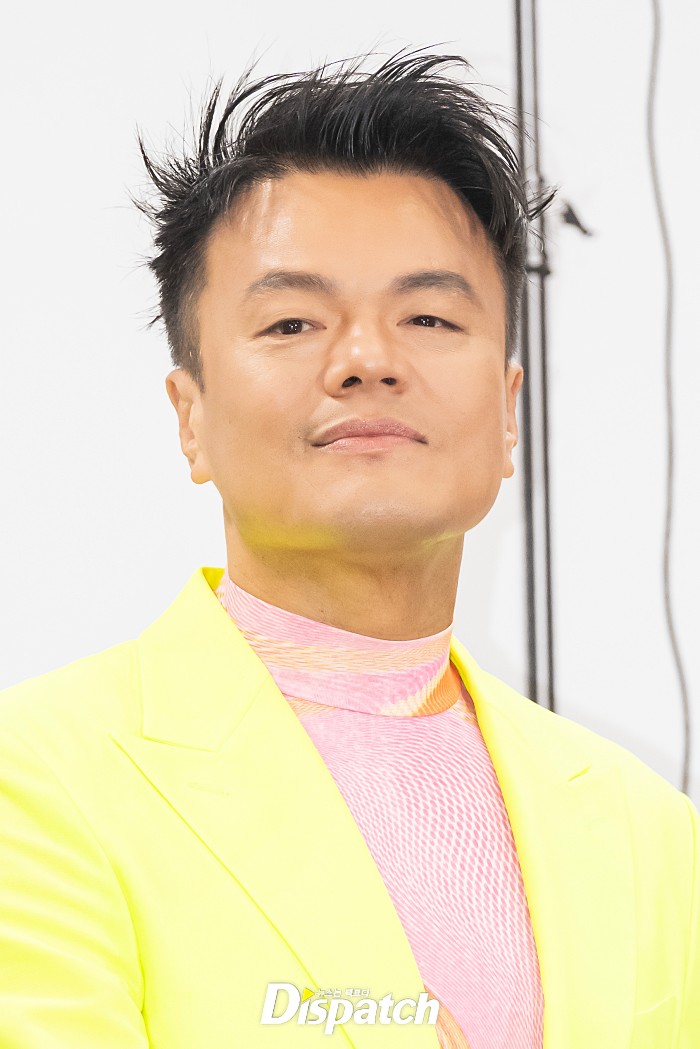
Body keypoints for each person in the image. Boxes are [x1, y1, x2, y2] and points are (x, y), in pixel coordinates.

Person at [0, 45, 697, 1049]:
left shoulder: (647, 826)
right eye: (291, 321)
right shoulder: (36, 778)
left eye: (428, 315)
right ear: (190, 416)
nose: (367, 359)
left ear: (508, 412)